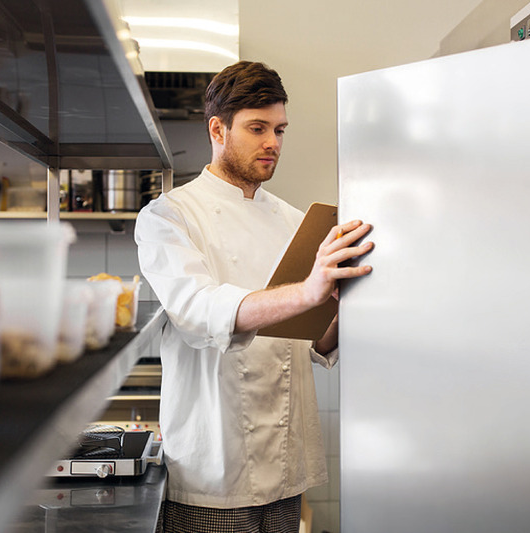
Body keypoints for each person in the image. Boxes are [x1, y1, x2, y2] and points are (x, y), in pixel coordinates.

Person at [134, 60, 374, 533]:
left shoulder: (294, 221)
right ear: (217, 129)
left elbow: (316, 342)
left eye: (280, 130)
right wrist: (307, 291)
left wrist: (351, 299)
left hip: (287, 469)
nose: (272, 144)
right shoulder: (169, 216)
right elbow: (198, 310)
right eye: (257, 128)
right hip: (213, 473)